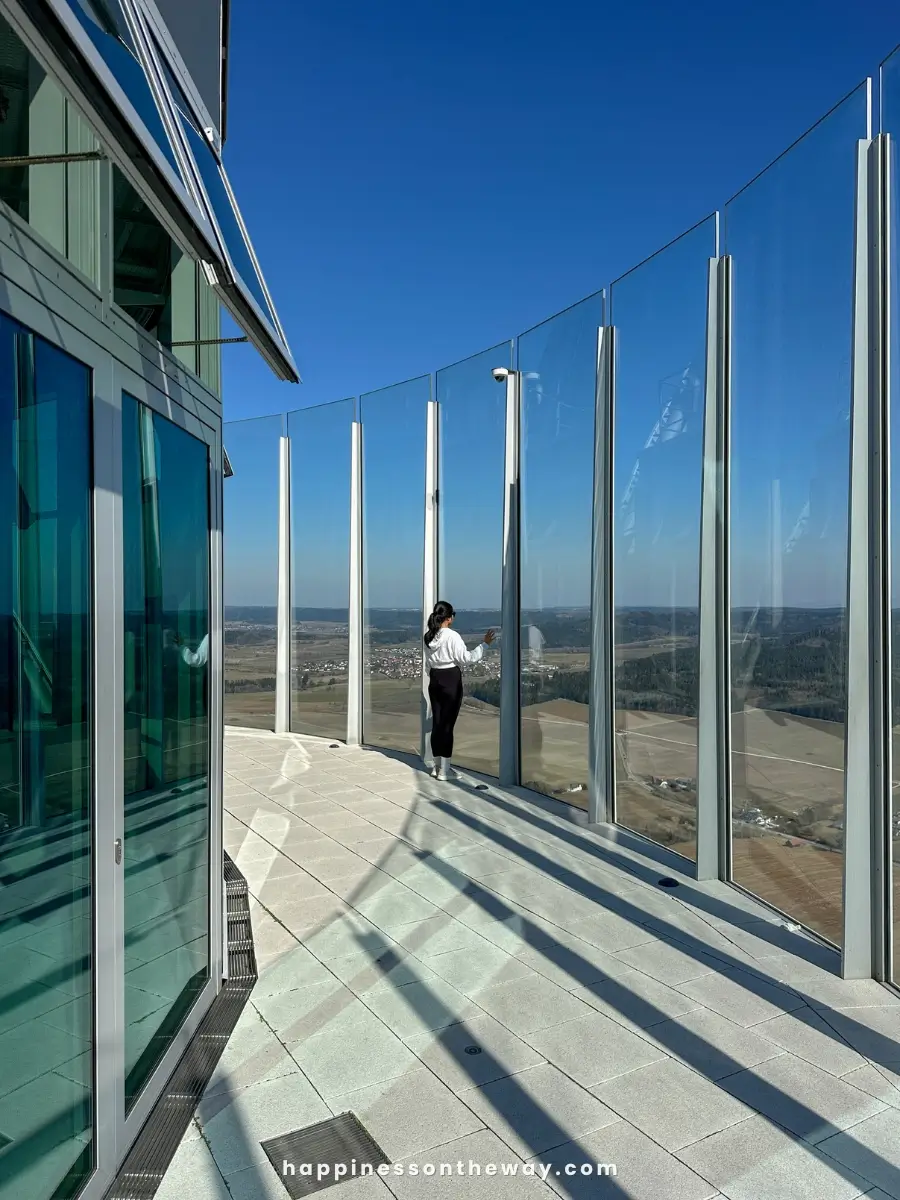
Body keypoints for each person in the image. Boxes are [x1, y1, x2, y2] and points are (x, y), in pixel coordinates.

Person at [423, 601, 495, 781]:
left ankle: (436, 765)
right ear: (449, 618)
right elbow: (466, 658)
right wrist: (484, 645)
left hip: (435, 679)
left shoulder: (428, 636)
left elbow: (427, 664)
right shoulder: (452, 636)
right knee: (448, 725)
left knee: (437, 723)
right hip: (450, 679)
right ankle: (445, 771)